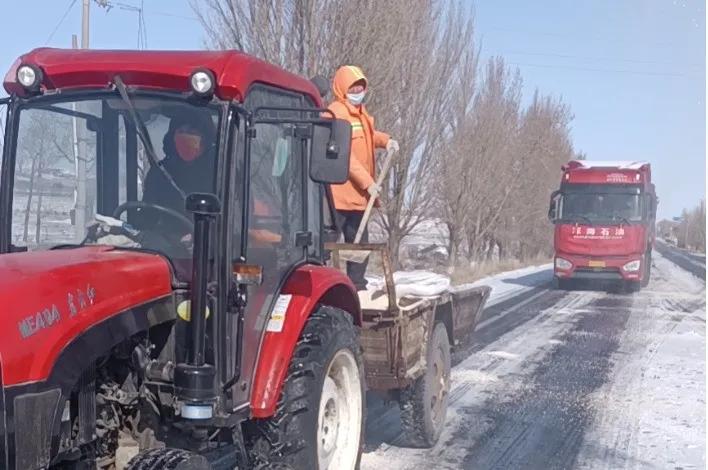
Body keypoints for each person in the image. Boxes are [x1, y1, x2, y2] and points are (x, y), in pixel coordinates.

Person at [327, 65, 399, 290]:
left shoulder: (361, 114)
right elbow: (344, 156)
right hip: (339, 193)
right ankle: (323, 280)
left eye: (361, 87)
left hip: (359, 197)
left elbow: (368, 136)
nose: (358, 91)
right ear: (342, 88)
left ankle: (356, 285)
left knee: (359, 243)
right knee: (327, 242)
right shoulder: (336, 114)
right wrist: (368, 183)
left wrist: (386, 140)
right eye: (353, 87)